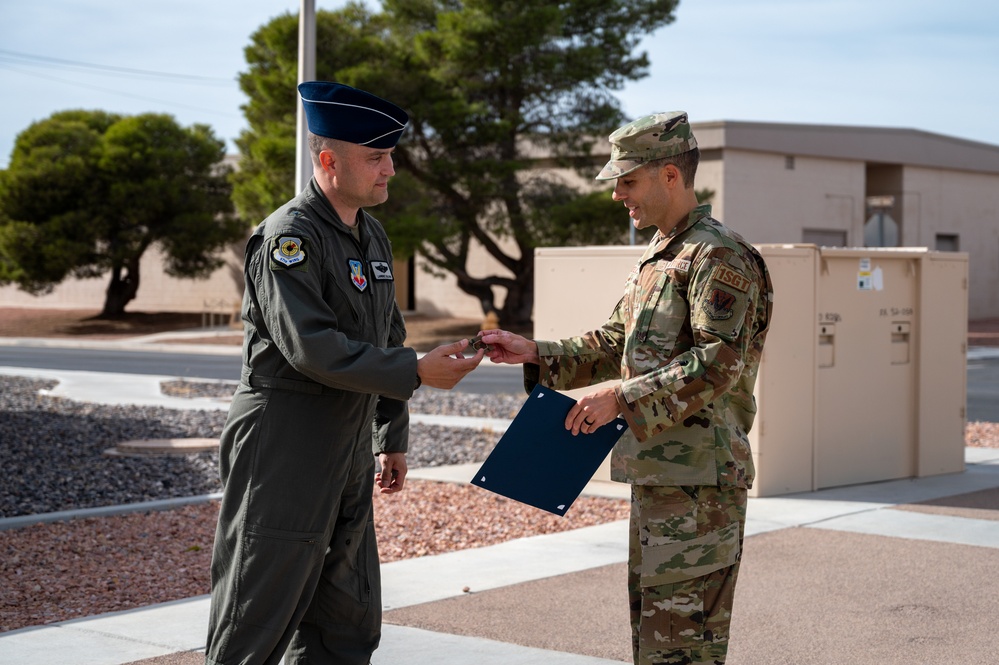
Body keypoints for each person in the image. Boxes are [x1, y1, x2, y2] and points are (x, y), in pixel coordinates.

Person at [479, 111, 773, 665]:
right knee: (655, 645)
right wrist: (536, 353)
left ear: (670, 175)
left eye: (627, 180)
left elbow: (717, 363)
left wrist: (620, 398)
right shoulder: (660, 257)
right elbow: (618, 342)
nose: (618, 195)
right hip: (662, 479)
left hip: (700, 490)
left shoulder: (718, 257)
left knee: (684, 651)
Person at [204, 81, 483, 665]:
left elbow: (387, 336)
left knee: (347, 619)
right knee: (257, 613)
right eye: (376, 158)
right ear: (328, 160)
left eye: (389, 156)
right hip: (285, 443)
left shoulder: (369, 232)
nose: (391, 170)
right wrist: (416, 373)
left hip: (349, 446)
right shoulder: (289, 237)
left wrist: (391, 437)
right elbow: (313, 348)